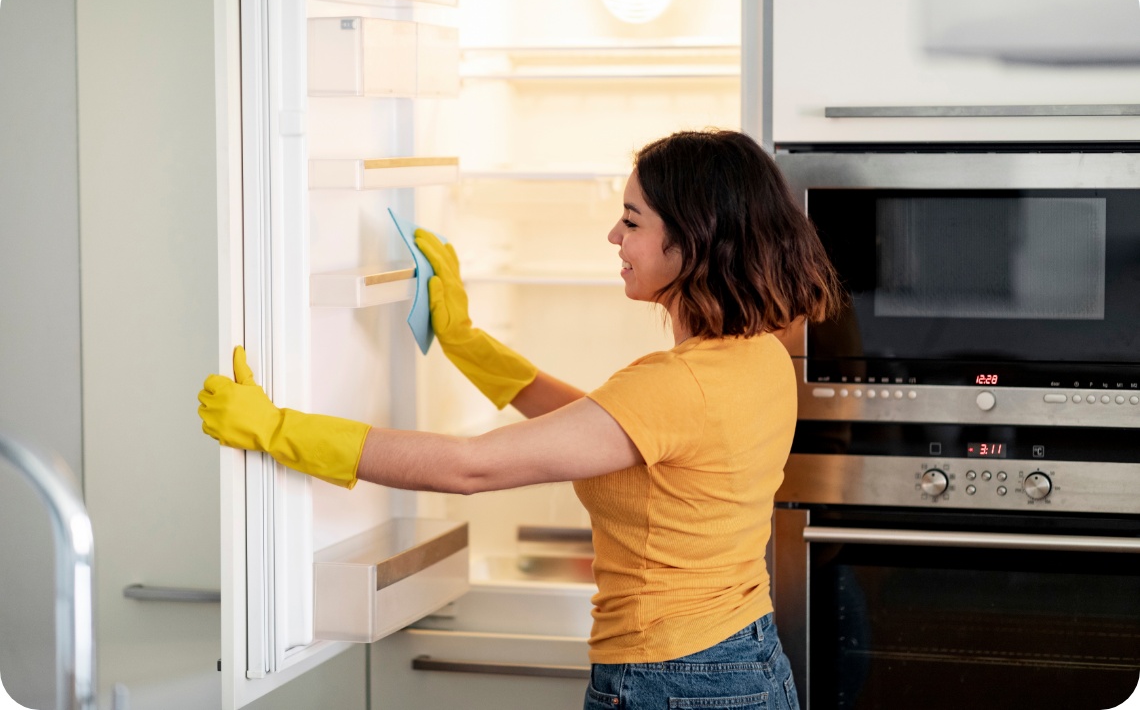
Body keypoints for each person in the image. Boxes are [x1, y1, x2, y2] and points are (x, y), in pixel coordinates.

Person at [198, 129, 842, 710]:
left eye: (631, 220)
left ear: (693, 239)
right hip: (743, 659)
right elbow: (601, 427)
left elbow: (469, 467)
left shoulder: (679, 384)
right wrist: (464, 340)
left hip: (672, 677)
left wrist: (279, 429)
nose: (614, 237)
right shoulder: (757, 354)